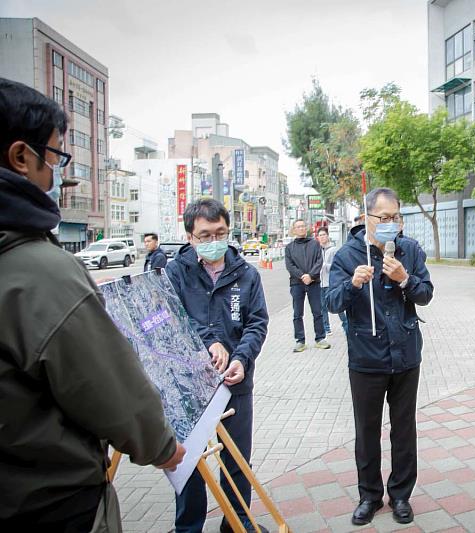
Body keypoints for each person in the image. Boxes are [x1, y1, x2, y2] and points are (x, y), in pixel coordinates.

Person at [0, 77, 185, 532]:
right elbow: (109, 389)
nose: (61, 175)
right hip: (51, 502)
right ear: (22, 157)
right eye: (58, 156)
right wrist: (162, 446)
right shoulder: (41, 273)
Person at [327, 188, 434, 526]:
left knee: (404, 428)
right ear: (366, 218)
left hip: (405, 355)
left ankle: (401, 495)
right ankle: (369, 496)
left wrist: (404, 279)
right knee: (367, 430)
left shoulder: (410, 250)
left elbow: (426, 294)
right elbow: (331, 302)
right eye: (383, 218)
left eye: (395, 218)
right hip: (366, 357)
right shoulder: (347, 256)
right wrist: (353, 285)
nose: (391, 224)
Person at [166, 198, 269, 533]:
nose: (214, 241)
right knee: (190, 461)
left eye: (220, 233)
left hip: (234, 382)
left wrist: (241, 357)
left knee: (237, 459)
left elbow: (257, 323)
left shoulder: (247, 274)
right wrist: (208, 341)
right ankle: (188, 527)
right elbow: (173, 320)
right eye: (205, 235)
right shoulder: (175, 273)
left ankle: (238, 524)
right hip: (189, 385)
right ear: (190, 237)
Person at [285, 219, 329, 352]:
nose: (301, 229)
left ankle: (320, 338)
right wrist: (302, 276)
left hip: (314, 282)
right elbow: (289, 265)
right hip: (296, 283)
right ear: (294, 230)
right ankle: (300, 340)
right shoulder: (289, 247)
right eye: (298, 227)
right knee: (297, 313)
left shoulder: (315, 244)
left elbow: (319, 261)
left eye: (303, 226)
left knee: (317, 311)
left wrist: (310, 275)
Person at [317, 226, 348, 334]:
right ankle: (326, 327)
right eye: (320, 235)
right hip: (320, 283)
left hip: (331, 282)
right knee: (323, 307)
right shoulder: (317, 250)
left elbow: (337, 266)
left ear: (328, 236)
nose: (322, 237)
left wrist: (325, 265)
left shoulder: (333, 250)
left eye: (324, 235)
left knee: (338, 305)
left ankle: (345, 325)